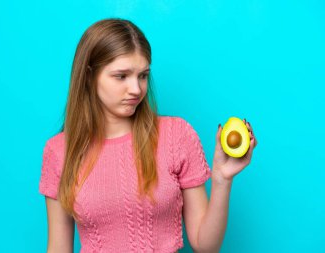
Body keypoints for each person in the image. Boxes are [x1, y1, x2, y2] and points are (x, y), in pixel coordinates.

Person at [38, 18, 257, 253]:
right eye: (121, 76)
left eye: (142, 75)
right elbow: (58, 248)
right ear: (90, 76)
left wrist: (222, 180)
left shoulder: (176, 135)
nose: (136, 89)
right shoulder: (59, 151)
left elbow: (206, 246)